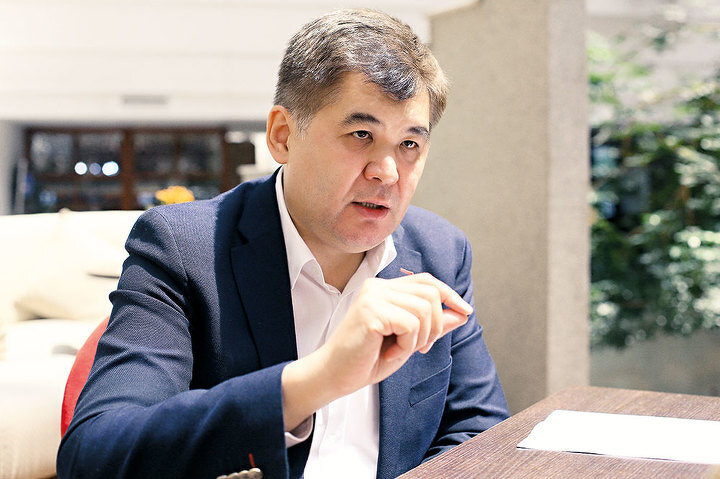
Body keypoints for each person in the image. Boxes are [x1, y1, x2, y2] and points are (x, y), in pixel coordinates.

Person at [57, 8, 509, 479]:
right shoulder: (182, 248)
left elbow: (479, 432)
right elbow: (95, 456)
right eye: (361, 135)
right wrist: (316, 379)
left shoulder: (440, 251)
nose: (388, 172)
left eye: (409, 144)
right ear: (282, 136)